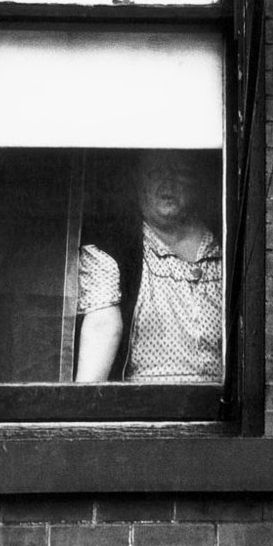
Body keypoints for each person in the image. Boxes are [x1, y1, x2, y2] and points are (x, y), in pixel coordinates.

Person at [74, 151, 223, 382]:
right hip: (145, 406)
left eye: (180, 173)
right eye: (155, 172)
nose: (168, 183)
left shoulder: (224, 247)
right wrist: (82, 409)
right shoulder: (115, 249)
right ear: (137, 180)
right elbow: (102, 327)